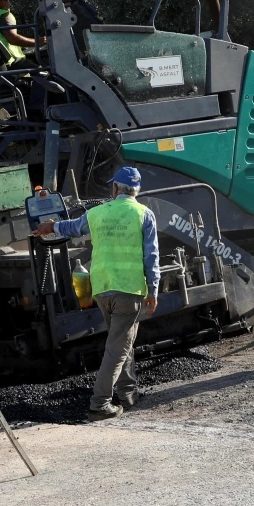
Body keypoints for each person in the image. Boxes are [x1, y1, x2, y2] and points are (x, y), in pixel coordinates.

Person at [32, 166, 159, 420]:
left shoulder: (97, 213)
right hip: (129, 289)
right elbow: (151, 256)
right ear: (137, 190)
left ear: (115, 189)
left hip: (102, 289)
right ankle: (100, 403)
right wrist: (154, 289)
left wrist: (49, 227)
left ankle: (128, 393)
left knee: (122, 341)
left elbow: (71, 228)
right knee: (119, 347)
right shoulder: (144, 214)